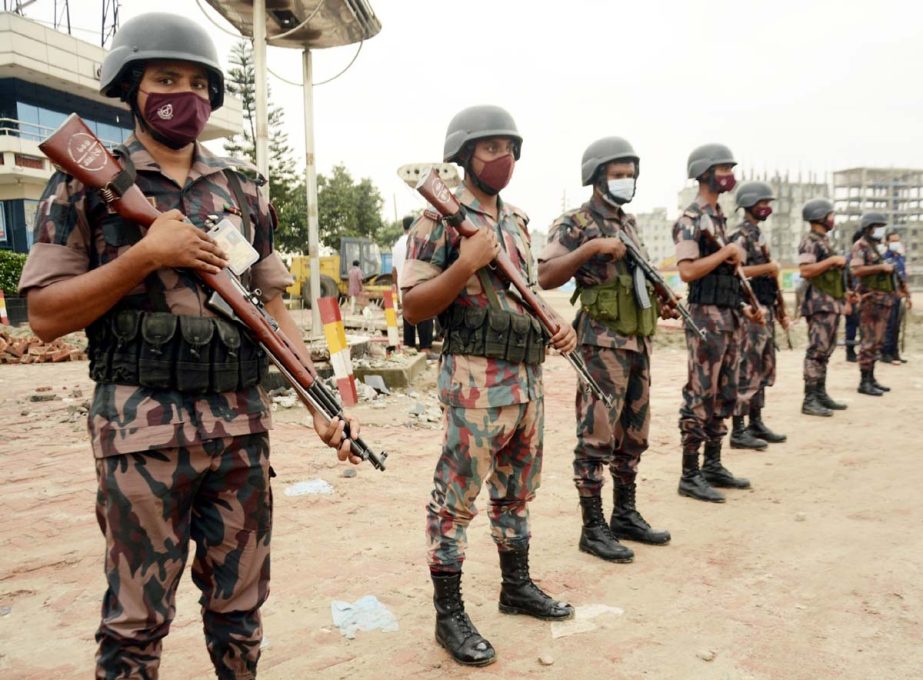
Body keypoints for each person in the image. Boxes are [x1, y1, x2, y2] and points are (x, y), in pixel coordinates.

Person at [16, 13, 360, 679]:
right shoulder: (87, 180)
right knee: (136, 623)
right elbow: (45, 315)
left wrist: (321, 401)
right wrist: (145, 256)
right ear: (130, 88)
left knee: (239, 611)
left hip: (240, 428)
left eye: (199, 83)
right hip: (140, 432)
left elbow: (274, 309)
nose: (185, 94)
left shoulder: (243, 188)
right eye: (165, 78)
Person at [401, 105, 576, 667]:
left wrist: (558, 323)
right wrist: (463, 265)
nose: (503, 158)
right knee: (454, 502)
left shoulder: (520, 222)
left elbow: (524, 291)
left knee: (517, 493)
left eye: (509, 148)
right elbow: (413, 304)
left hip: (527, 381)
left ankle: (515, 585)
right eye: (490, 148)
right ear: (463, 156)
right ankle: (448, 614)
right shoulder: (438, 220)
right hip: (476, 383)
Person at [537, 136, 670, 565]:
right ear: (596, 176)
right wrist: (592, 248)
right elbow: (546, 274)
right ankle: (592, 528)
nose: (626, 180)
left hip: (637, 340)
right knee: (596, 436)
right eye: (618, 174)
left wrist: (661, 296)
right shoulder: (574, 222)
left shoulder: (629, 224)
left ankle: (624, 514)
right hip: (600, 342)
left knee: (634, 434)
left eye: (631, 174)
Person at [672, 143, 756, 504]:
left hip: (728, 314)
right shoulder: (690, 219)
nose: (729, 175)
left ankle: (713, 464)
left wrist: (744, 304)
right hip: (705, 316)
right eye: (723, 168)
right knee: (700, 394)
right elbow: (688, 271)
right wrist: (725, 253)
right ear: (705, 172)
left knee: (725, 391)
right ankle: (690, 473)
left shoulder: (718, 218)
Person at [728, 182, 788, 448]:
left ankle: (756, 421)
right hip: (748, 311)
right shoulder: (740, 236)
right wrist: (767, 268)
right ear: (750, 203)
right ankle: (739, 430)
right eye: (762, 202)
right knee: (747, 368)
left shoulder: (758, 235)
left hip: (765, 307)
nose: (767, 207)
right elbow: (735, 271)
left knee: (762, 367)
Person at [797, 198, 850, 416]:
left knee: (826, 350)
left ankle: (820, 394)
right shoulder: (809, 241)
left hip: (831, 302)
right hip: (818, 304)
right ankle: (809, 399)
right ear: (820, 216)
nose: (833, 219)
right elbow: (806, 270)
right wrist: (832, 261)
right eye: (830, 215)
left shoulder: (824, 241)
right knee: (817, 350)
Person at [850, 213, 895, 395]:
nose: (881, 229)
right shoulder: (860, 246)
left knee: (877, 341)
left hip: (882, 300)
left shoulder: (876, 247)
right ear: (869, 227)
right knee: (868, 341)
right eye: (878, 226)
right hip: (869, 300)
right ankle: (864, 381)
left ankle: (871, 378)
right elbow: (856, 270)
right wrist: (880, 267)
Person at [392, 215, 435, 351]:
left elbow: (394, 270)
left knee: (408, 319)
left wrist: (397, 287)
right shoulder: (418, 239)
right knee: (424, 317)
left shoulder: (397, 245)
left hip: (402, 287)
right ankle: (425, 349)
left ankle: (409, 348)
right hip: (418, 286)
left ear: (402, 227)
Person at [882, 227, 912, 364]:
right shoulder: (884, 259)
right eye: (893, 241)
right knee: (888, 326)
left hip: (899, 296)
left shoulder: (900, 258)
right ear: (886, 242)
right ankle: (885, 353)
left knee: (896, 326)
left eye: (897, 241)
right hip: (888, 295)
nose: (896, 243)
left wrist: (908, 296)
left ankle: (895, 353)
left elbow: (903, 277)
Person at [843, 226, 865, 363]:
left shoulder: (869, 259)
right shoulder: (848, 260)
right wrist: (847, 302)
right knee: (851, 326)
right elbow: (844, 282)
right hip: (852, 298)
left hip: (866, 298)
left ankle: (864, 351)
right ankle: (850, 352)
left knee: (865, 327)